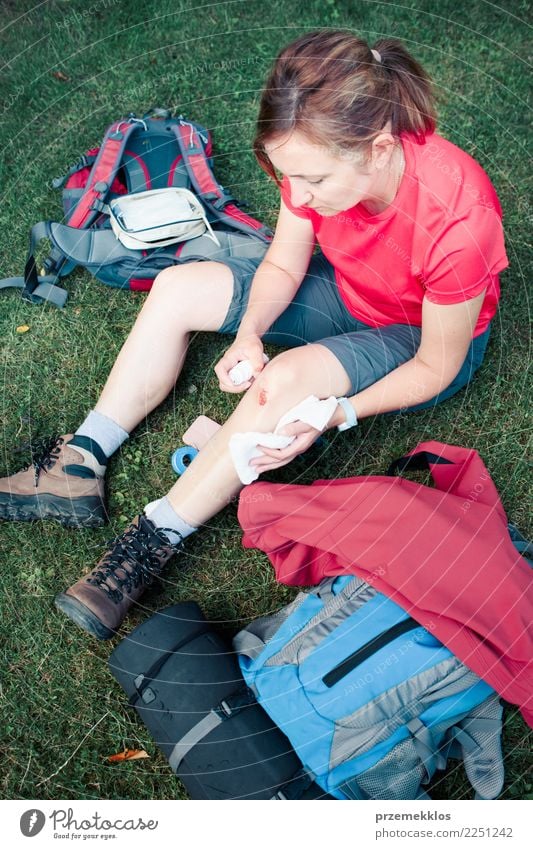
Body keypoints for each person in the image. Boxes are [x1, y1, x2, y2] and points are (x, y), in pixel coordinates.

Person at [0, 30, 508, 639]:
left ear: (376, 150)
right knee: (178, 285)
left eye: (313, 180)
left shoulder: (458, 223)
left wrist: (338, 411)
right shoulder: (311, 162)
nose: (298, 195)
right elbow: (285, 263)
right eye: (287, 175)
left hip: (414, 335)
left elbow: (436, 366)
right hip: (347, 289)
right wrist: (248, 335)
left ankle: (151, 539)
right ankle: (81, 458)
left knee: (284, 382)